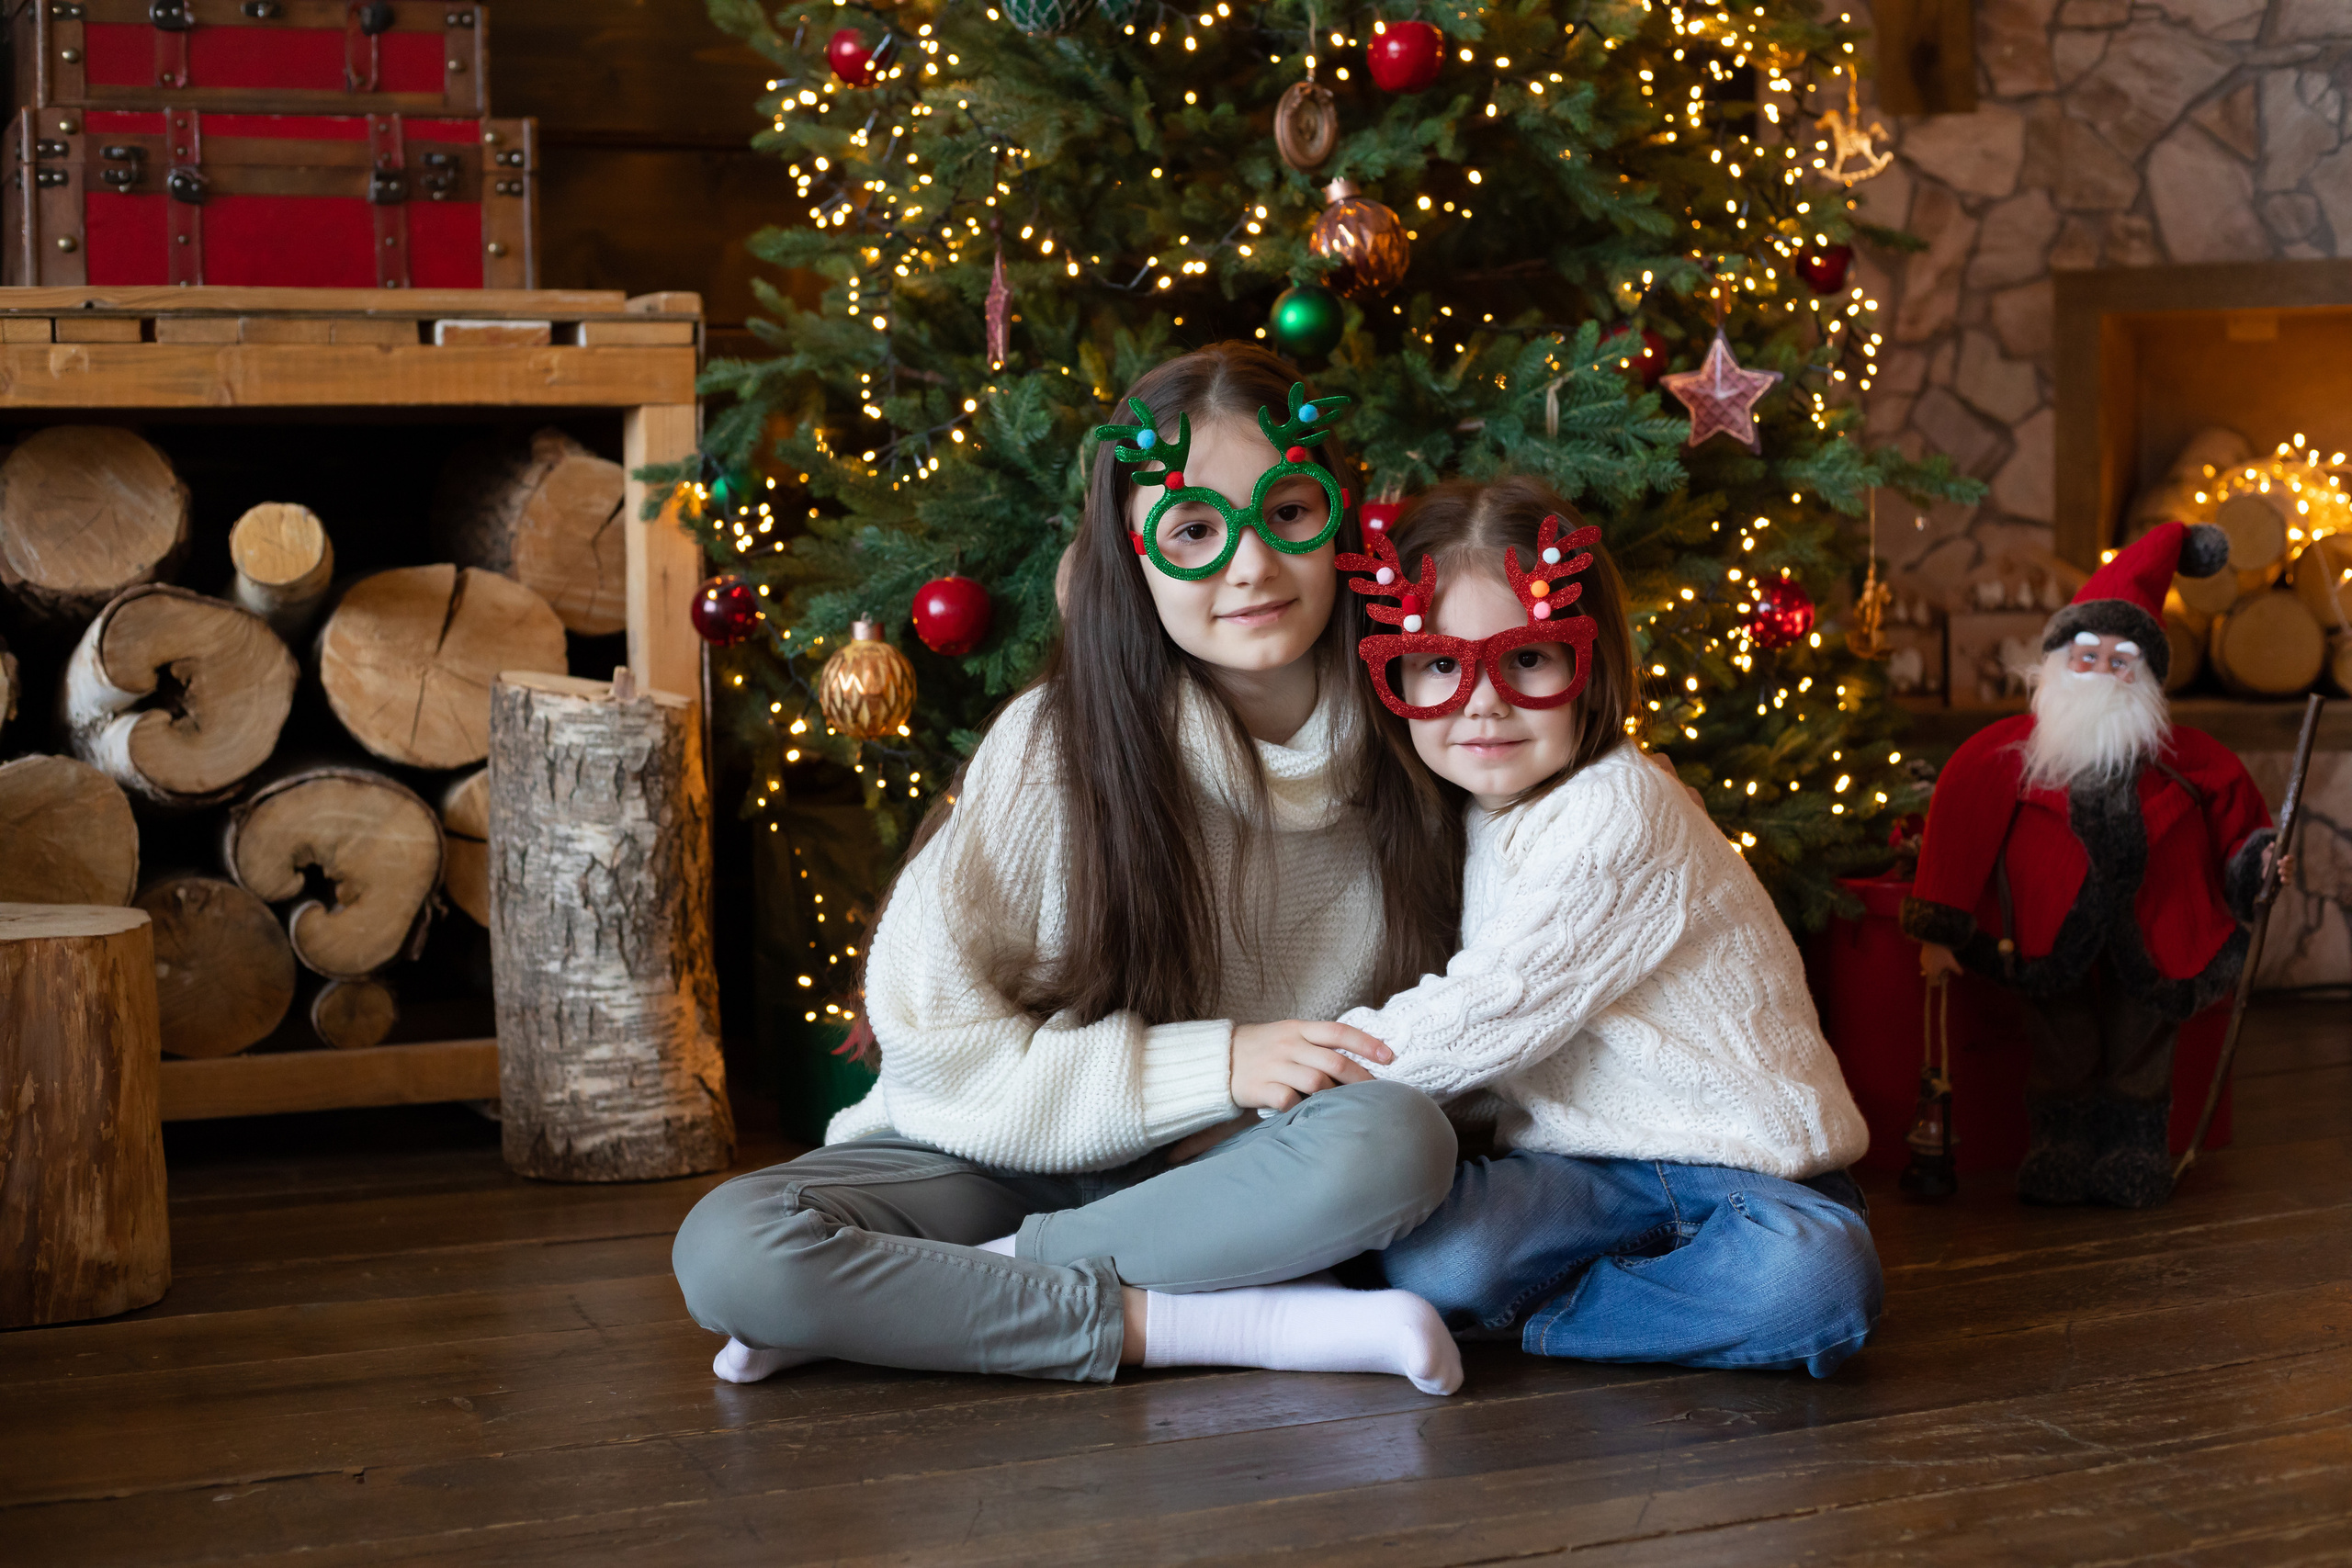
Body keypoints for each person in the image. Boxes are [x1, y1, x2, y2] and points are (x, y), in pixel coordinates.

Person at [673, 344, 1467, 1393]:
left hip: (1223, 1176)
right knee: (730, 1245)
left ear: (1341, 522)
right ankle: (1220, 1326)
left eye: (1286, 513)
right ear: (1130, 561)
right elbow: (933, 1038)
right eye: (1190, 531)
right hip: (993, 1153)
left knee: (1397, 1143)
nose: (1249, 567)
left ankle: (934, 1298)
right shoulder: (1059, 743)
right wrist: (1212, 1062)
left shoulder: (1430, 736)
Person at [1329, 477, 1883, 1378]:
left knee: (1813, 1282)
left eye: (1527, 659)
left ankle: (1555, 1322)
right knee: (1437, 1259)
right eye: (1439, 663)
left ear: (1593, 665)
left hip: (1754, 1183)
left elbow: (1494, 1010)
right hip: (1581, 1174)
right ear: (1391, 673)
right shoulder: (1477, 816)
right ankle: (1631, 1300)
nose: (1482, 701)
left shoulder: (1622, 806)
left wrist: (1301, 1068)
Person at [1901, 520, 2281, 1209]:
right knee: (2060, 1039)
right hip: (2043, 927)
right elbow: (1959, 825)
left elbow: (2240, 818)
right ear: (2055, 663)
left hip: (2159, 922)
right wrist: (1940, 928)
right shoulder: (2003, 753)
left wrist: (2258, 862)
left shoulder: (2189, 756)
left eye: (2121, 660)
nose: (2103, 671)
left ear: (2146, 677)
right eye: (2087, 656)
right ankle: (2061, 1145)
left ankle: (2136, 1147)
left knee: (2143, 1040)